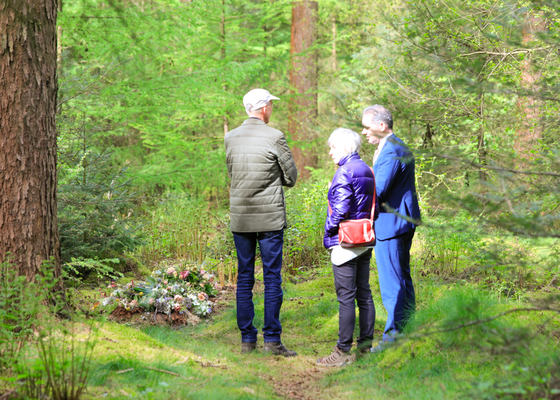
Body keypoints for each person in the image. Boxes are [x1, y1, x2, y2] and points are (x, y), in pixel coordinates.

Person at [224, 88, 298, 357]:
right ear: (264, 107)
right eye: (270, 104)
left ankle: (247, 341)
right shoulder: (275, 136)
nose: (271, 109)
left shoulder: (230, 138)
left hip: (240, 217)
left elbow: (233, 174)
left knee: (244, 278)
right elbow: (291, 177)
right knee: (271, 278)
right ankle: (272, 341)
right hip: (269, 218)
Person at [317, 128, 378, 367]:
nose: (330, 152)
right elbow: (375, 206)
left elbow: (340, 210)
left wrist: (328, 231)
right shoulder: (367, 169)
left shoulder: (344, 172)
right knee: (364, 294)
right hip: (364, 238)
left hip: (345, 242)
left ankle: (341, 353)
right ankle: (364, 349)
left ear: (344, 147)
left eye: (333, 147)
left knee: (346, 298)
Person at [361, 105, 421, 347]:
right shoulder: (392, 147)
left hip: (392, 224)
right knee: (402, 278)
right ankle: (408, 330)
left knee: (392, 283)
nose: (364, 132)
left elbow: (378, 189)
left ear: (381, 126)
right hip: (399, 221)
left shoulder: (392, 150)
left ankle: (393, 339)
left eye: (366, 127)